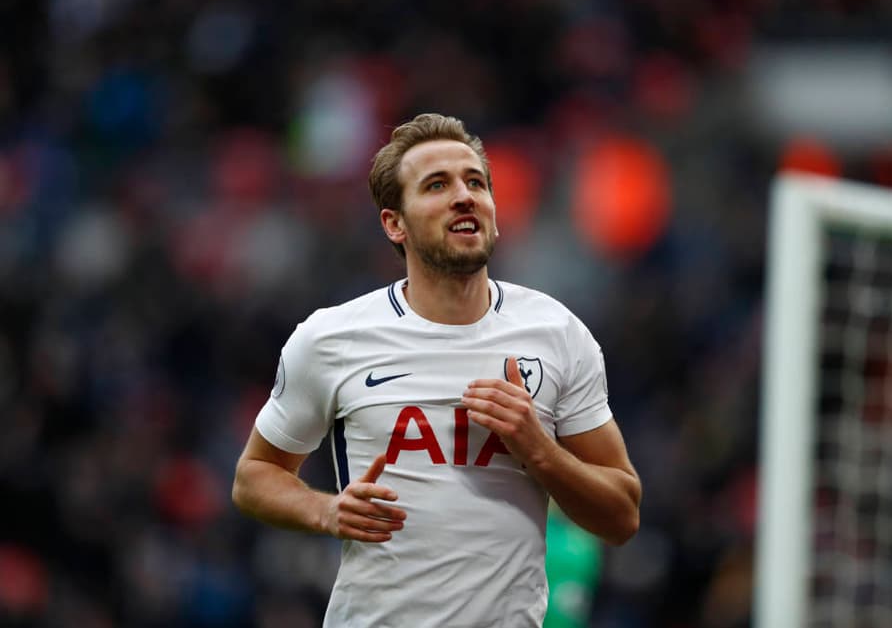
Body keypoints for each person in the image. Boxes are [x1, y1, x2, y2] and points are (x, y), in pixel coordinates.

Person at [232, 113, 642, 627]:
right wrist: (328, 511)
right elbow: (253, 477)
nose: (465, 196)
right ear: (394, 223)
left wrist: (538, 448)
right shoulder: (331, 338)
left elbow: (622, 515)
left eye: (476, 182)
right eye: (437, 185)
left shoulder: (557, 333)